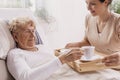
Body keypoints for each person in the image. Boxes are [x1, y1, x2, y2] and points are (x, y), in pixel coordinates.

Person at [7, 17, 83, 80]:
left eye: (33, 31)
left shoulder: (43, 47)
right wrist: (61, 60)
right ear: (16, 37)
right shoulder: (15, 54)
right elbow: (26, 78)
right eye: (27, 31)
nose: (32, 35)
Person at [65, 0, 120, 66]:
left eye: (93, 4)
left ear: (106, 2)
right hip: (95, 64)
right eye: (86, 3)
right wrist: (77, 44)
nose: (88, 8)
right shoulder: (89, 18)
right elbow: (88, 42)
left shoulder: (117, 21)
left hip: (113, 66)